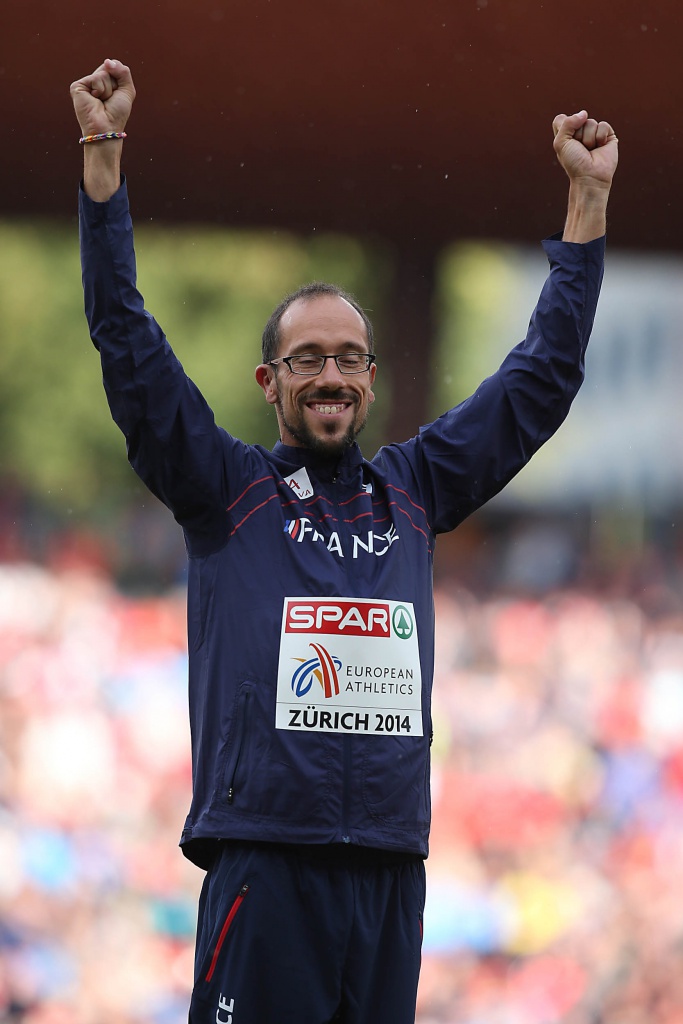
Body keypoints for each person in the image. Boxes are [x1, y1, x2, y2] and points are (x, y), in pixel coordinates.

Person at [70, 58, 618, 1024]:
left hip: (390, 873)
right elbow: (129, 345)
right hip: (266, 860)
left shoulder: (412, 489)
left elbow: (539, 381)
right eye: (307, 358)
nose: (330, 374)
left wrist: (586, 205)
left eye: (349, 358)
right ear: (269, 382)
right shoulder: (227, 490)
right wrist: (103, 167)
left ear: (371, 381)